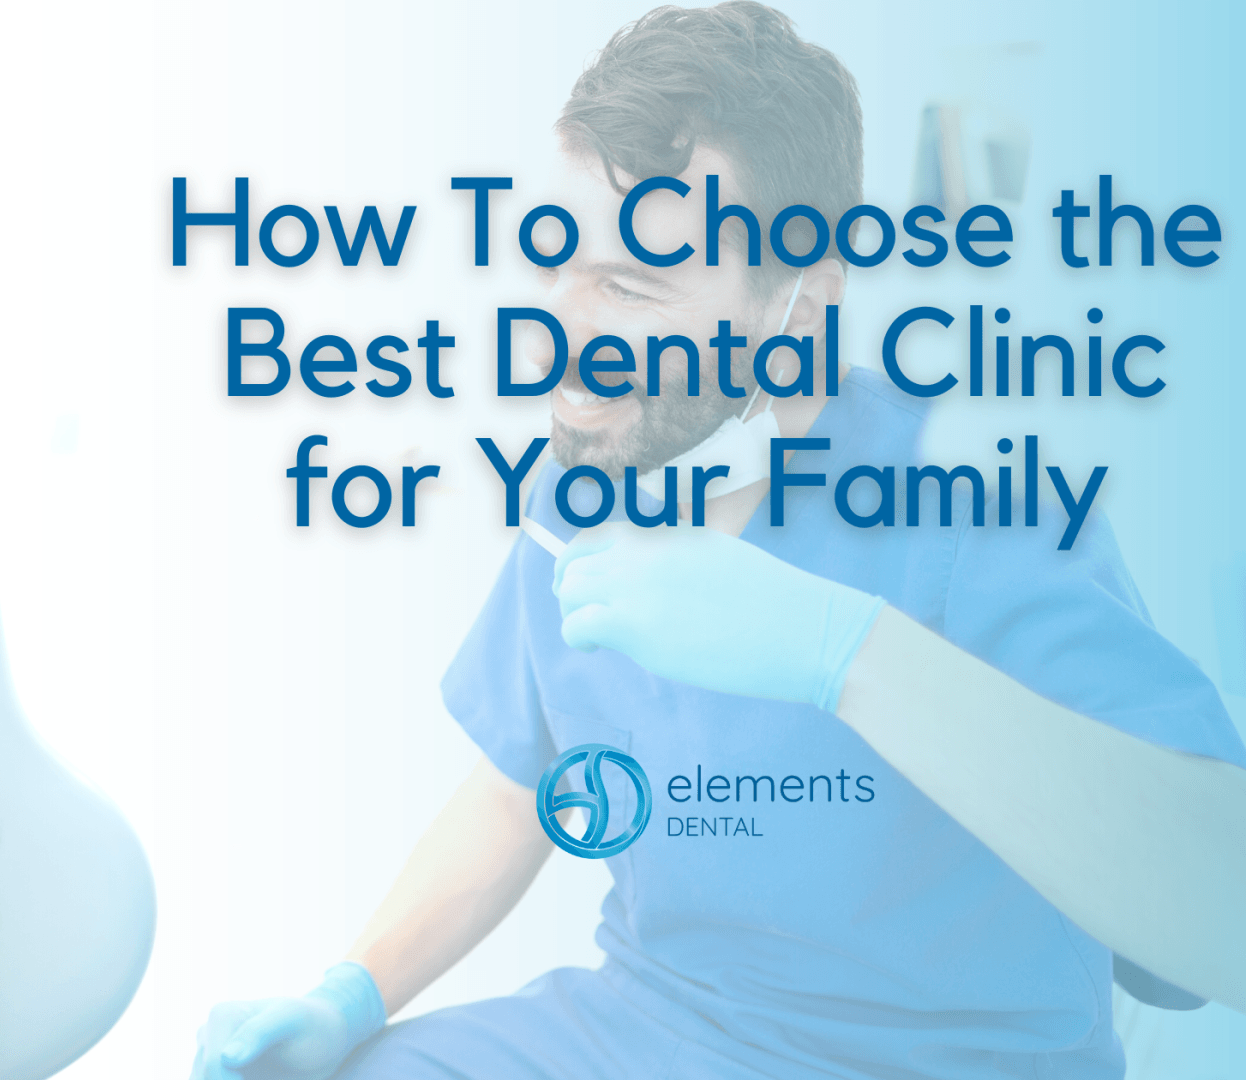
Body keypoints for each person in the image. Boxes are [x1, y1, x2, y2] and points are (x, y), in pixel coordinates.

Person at [191, 4, 1246, 1078]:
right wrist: (351, 992)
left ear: (801, 306)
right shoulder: (587, 474)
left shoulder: (979, 495)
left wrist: (850, 653)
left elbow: (1217, 920)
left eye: (632, 287)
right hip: (649, 1025)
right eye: (557, 263)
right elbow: (520, 784)